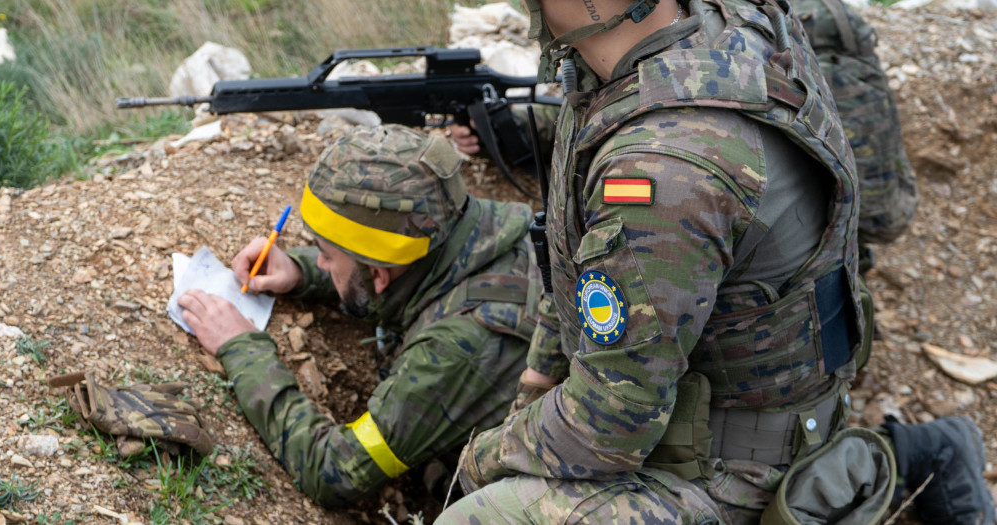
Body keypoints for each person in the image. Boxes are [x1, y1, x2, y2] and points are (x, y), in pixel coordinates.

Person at [438, 0, 993, 523]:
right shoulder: (717, 27)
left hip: (736, 471)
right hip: (745, 400)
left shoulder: (662, 167)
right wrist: (534, 389)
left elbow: (606, 428)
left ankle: (856, 478)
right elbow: (576, 270)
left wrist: (481, 462)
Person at [178, 124, 542, 507]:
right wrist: (303, 272)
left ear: (379, 274)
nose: (320, 261)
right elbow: (386, 278)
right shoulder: (479, 228)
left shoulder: (461, 345)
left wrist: (243, 349)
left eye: (326, 255)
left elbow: (333, 470)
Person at [451, 0, 918, 268]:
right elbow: (658, 90)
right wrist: (519, 131)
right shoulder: (726, 16)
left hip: (745, 395)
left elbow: (617, 409)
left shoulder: (661, 167)